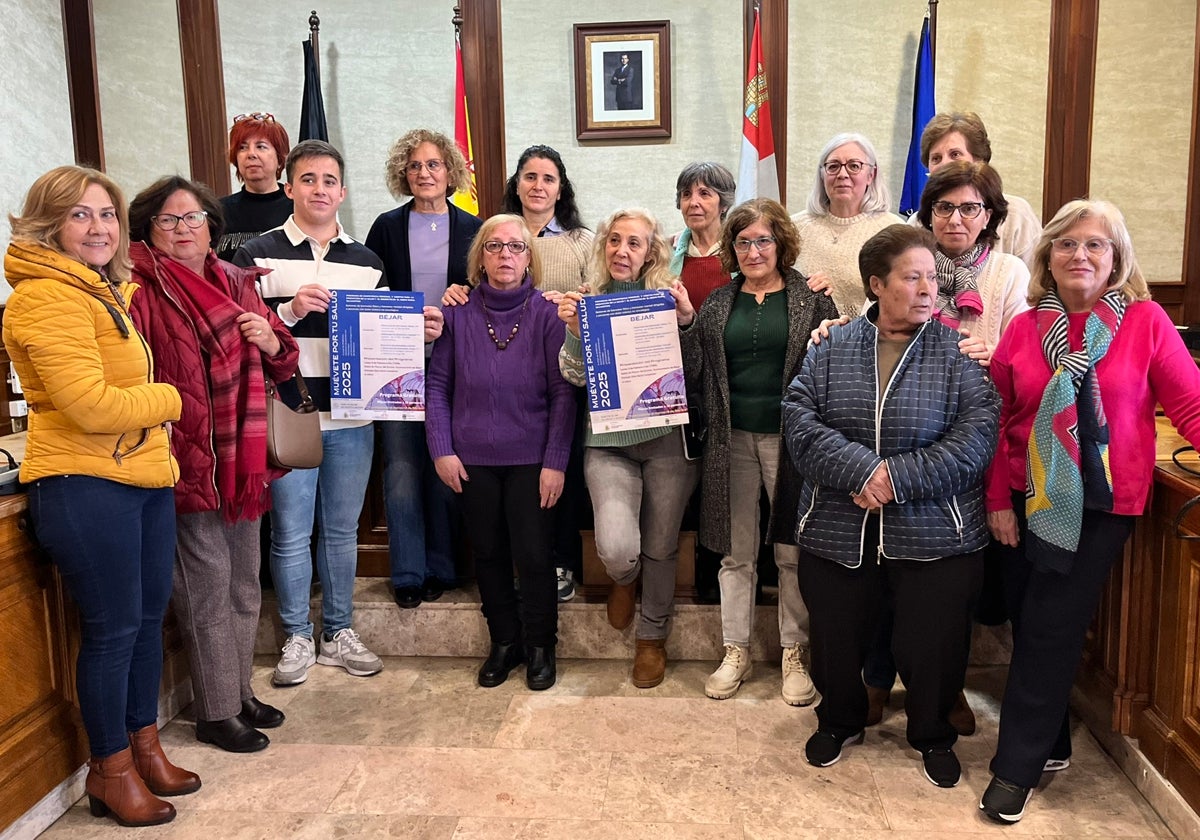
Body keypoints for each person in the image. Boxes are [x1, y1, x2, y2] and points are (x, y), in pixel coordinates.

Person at [979, 201, 1200, 823]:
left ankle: (1014, 769)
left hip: (1100, 504)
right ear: (1048, 257)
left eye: (1096, 245)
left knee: (1048, 627)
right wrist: (999, 499)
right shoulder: (1024, 330)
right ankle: (1050, 742)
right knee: (1029, 622)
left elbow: (1190, 407)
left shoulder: (1147, 322)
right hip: (1025, 496)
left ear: (1116, 259)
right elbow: (999, 422)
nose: (1081, 255)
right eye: (1068, 244)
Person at [3, 165, 193, 827]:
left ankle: (145, 747)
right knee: (112, 634)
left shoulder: (103, 293)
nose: (99, 227)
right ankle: (109, 771)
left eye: (107, 215)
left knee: (144, 624)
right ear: (50, 223)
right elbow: (89, 405)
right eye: (81, 215)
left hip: (140, 479)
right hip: (85, 487)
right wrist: (169, 399)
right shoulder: (45, 297)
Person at [782, 224, 999, 788]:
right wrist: (858, 470)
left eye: (932, 276)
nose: (928, 288)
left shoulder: (958, 351)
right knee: (834, 637)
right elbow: (799, 419)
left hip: (935, 533)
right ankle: (838, 720)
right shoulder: (832, 344)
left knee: (934, 644)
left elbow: (977, 437)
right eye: (912, 277)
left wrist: (892, 478)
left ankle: (931, 733)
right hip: (837, 526)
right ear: (877, 284)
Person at [235, 140, 431, 688]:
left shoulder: (367, 262)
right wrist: (290, 310)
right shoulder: (257, 254)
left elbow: (386, 341)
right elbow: (237, 332)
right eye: (308, 179)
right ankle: (297, 635)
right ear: (289, 187)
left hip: (353, 418)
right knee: (291, 534)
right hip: (289, 414)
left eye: (329, 181)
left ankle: (338, 631)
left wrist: (416, 332)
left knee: (342, 533)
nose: (319, 189)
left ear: (342, 191)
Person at [127, 176, 300, 754]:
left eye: (194, 217)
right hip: (185, 455)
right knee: (205, 586)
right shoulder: (140, 287)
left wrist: (270, 340)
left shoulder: (235, 281)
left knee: (245, 580)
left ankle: (239, 690)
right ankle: (215, 710)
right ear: (148, 229)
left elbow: (283, 352)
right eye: (169, 220)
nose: (184, 229)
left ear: (212, 225)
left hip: (242, 457)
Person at [680, 198, 837, 703]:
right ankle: (736, 649)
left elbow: (836, 358)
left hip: (792, 441)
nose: (753, 251)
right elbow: (695, 373)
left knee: (792, 552)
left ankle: (794, 651)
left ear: (781, 243)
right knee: (736, 552)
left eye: (762, 240)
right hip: (731, 442)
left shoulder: (812, 297)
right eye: (743, 242)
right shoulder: (719, 303)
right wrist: (686, 323)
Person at [426, 214, 576, 690]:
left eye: (515, 247)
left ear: (529, 256)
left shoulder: (550, 314)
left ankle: (540, 645)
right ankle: (505, 642)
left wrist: (555, 461)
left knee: (534, 556)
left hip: (533, 458)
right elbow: (437, 385)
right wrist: (441, 449)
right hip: (470, 460)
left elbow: (563, 394)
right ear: (480, 258)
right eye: (494, 247)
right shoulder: (457, 313)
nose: (505, 255)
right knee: (488, 555)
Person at [558, 208, 698, 688]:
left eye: (634, 243)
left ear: (650, 252)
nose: (622, 250)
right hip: (608, 443)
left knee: (660, 547)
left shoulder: (667, 299)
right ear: (603, 248)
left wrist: (685, 322)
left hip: (666, 442)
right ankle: (622, 580)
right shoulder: (588, 302)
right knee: (619, 548)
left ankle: (651, 639)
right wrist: (576, 335)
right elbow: (573, 376)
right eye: (614, 241)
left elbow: (697, 371)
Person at [365, 128, 482, 610]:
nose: (424, 173)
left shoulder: (475, 229)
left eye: (434, 165)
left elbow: (491, 292)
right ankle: (409, 571)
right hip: (397, 367)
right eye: (415, 166)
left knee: (444, 468)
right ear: (403, 174)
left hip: (455, 367)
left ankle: (443, 566)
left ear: (451, 172)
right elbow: (369, 296)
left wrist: (467, 296)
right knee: (401, 468)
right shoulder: (386, 227)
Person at [500, 145, 593, 602]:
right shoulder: (495, 235)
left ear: (561, 188)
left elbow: (599, 300)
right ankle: (524, 561)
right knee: (518, 473)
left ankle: (562, 561)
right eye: (530, 176)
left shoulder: (582, 241)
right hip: (506, 373)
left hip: (566, 372)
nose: (538, 186)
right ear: (516, 183)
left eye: (548, 178)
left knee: (563, 469)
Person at [791, 133, 903, 318]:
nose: (842, 174)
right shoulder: (793, 227)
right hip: (805, 342)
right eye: (833, 166)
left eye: (854, 166)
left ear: (871, 175)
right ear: (822, 174)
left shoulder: (895, 231)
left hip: (869, 340)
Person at [919, 111, 1042, 269]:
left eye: (955, 154)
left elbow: (1037, 281)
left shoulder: (1017, 214)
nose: (944, 164)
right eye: (936, 158)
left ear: (979, 161)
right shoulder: (918, 221)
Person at [216, 112, 293, 260]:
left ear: (280, 157)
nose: (251, 154)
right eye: (242, 148)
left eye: (261, 147)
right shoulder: (219, 211)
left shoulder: (298, 207)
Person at [669, 161, 736, 310]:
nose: (693, 202)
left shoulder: (741, 251)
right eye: (686, 194)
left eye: (704, 193)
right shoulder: (667, 253)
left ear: (724, 204)